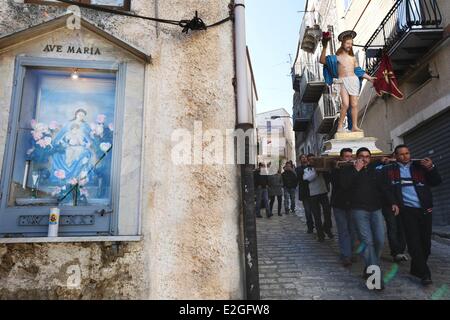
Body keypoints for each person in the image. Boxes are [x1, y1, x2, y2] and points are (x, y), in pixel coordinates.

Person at [383, 145, 442, 286]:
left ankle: (416, 268)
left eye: (407, 153)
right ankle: (425, 274)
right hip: (407, 211)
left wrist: (431, 167)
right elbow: (384, 188)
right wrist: (393, 203)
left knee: (426, 245)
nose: (405, 156)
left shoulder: (420, 166)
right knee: (414, 243)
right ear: (395, 156)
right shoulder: (389, 170)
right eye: (401, 154)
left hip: (425, 210)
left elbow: (436, 181)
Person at [340, 147, 385, 290]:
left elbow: (383, 187)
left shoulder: (374, 170)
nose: (364, 159)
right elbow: (344, 186)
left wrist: (393, 203)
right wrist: (356, 170)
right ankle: (375, 278)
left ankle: (368, 267)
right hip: (358, 210)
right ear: (356, 157)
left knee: (379, 240)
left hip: (375, 209)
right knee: (367, 242)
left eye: (367, 156)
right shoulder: (348, 170)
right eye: (361, 156)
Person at [320, 31, 376, 132]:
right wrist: (324, 46)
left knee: (354, 105)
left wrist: (369, 78)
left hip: (353, 81)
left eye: (351, 43)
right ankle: (340, 126)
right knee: (345, 104)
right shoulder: (336, 58)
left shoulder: (353, 58)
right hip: (343, 81)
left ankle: (354, 126)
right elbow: (322, 60)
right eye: (347, 43)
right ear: (342, 44)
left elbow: (358, 71)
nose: (349, 45)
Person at [375, 155, 408, 263]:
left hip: (402, 202)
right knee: (392, 227)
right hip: (387, 204)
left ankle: (401, 251)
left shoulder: (399, 168)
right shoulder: (380, 168)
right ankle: (396, 252)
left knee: (402, 228)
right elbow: (381, 185)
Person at [331, 148, 358, 267]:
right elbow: (340, 184)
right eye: (346, 156)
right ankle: (346, 255)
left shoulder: (355, 169)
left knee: (352, 230)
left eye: (350, 156)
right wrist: (338, 169)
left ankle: (351, 252)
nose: (349, 159)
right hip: (339, 204)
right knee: (343, 230)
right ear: (341, 158)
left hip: (353, 203)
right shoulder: (335, 171)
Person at [303, 154, 333, 242]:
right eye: (311, 160)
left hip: (323, 193)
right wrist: (316, 172)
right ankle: (320, 234)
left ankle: (326, 228)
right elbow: (307, 179)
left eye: (314, 159)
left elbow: (329, 178)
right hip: (313, 195)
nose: (313, 161)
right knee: (317, 216)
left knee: (327, 213)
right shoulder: (307, 169)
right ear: (308, 161)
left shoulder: (323, 168)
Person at [296, 154, 314, 233]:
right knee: (307, 211)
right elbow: (300, 177)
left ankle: (316, 225)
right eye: (302, 157)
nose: (304, 158)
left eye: (305, 157)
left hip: (313, 191)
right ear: (300, 160)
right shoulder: (298, 169)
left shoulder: (311, 167)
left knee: (315, 210)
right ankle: (310, 226)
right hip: (304, 192)